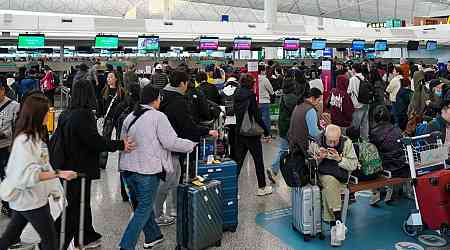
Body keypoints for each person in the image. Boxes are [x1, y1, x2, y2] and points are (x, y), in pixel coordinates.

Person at [53, 79, 135, 250]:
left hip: (66, 167)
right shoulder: (84, 115)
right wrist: (119, 144)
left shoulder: (66, 114)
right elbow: (95, 142)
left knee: (81, 203)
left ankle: (87, 235)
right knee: (76, 207)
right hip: (79, 169)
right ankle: (53, 240)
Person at [118, 85, 195, 250]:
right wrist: (190, 145)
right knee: (143, 210)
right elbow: (170, 142)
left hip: (128, 170)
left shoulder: (130, 117)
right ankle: (126, 246)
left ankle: (153, 236)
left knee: (141, 206)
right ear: (155, 99)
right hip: (147, 170)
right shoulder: (158, 117)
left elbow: (123, 143)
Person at [0, 93, 78, 250]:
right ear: (37, 115)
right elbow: (29, 175)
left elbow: (44, 165)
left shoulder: (36, 137)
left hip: (28, 198)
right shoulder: (24, 142)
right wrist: (59, 174)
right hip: (30, 200)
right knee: (50, 241)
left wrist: (55, 190)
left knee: (10, 236)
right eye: (46, 111)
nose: (49, 114)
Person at [157, 70, 218, 225]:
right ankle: (157, 215)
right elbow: (187, 125)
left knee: (173, 178)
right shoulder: (177, 101)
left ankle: (173, 210)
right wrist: (206, 131)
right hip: (171, 145)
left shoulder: (162, 95)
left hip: (161, 144)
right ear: (183, 83)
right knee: (168, 181)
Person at [309, 125, 358, 247]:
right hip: (323, 174)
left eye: (335, 141)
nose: (331, 144)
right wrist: (318, 158)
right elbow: (310, 161)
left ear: (340, 137)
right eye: (329, 141)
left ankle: (335, 225)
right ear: (324, 136)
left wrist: (340, 159)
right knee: (329, 181)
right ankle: (338, 222)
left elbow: (353, 164)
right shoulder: (317, 141)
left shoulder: (347, 143)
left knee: (328, 188)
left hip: (340, 176)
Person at [234, 74, 272, 196]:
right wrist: (266, 130)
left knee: (238, 162)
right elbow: (256, 115)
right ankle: (262, 188)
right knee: (258, 160)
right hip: (251, 133)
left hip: (239, 131)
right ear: (251, 84)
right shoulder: (250, 96)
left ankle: (232, 189)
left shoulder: (237, 93)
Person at [369, 105, 409, 205]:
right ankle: (391, 190)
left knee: (371, 161)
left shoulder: (374, 132)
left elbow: (373, 153)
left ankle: (376, 192)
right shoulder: (397, 129)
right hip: (400, 164)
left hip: (386, 165)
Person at [268, 78, 300, 183]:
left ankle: (274, 169)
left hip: (283, 125)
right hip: (289, 127)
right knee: (287, 149)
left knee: (283, 149)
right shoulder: (292, 98)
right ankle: (274, 169)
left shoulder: (284, 95)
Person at [0, 79, 20, 217]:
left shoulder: (14, 106)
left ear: (3, 89)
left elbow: (18, 129)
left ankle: (8, 205)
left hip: (5, 148)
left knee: (7, 178)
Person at [98, 71, 126, 168]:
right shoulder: (104, 90)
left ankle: (122, 164)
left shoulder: (121, 92)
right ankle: (102, 163)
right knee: (105, 140)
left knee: (120, 140)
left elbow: (124, 105)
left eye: (110, 77)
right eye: (108, 77)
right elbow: (101, 104)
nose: (108, 79)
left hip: (118, 120)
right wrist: (100, 115)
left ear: (116, 79)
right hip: (108, 119)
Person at [288, 88, 323, 152]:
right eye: (319, 100)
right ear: (312, 98)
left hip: (294, 142)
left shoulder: (299, 105)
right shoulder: (310, 110)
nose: (319, 103)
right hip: (303, 145)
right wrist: (324, 134)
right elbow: (314, 133)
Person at [347, 63, 369, 140]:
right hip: (366, 103)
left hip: (357, 104)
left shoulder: (353, 79)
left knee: (356, 124)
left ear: (354, 69)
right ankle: (365, 140)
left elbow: (349, 91)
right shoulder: (364, 77)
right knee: (365, 123)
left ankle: (354, 140)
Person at [258, 64, 274, 139]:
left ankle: (259, 134)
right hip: (265, 101)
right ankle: (267, 135)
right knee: (266, 119)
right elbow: (271, 90)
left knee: (258, 119)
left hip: (257, 101)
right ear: (262, 71)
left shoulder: (254, 78)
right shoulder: (265, 80)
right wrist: (273, 93)